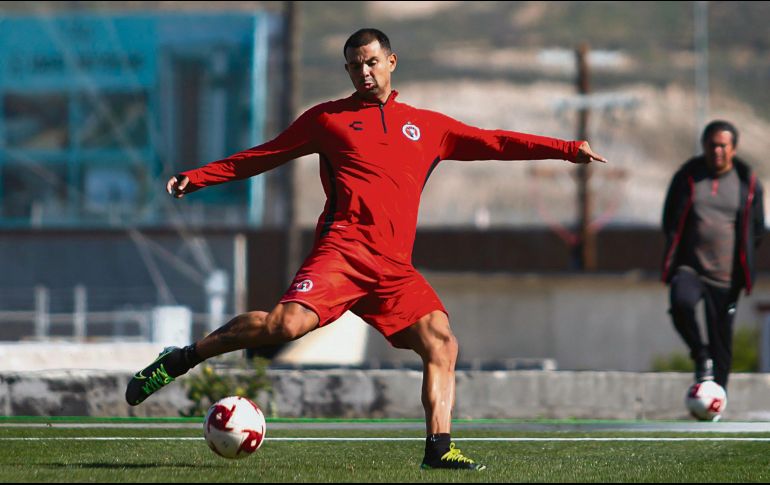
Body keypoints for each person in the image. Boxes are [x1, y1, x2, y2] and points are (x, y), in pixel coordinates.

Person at [126, 28, 607, 470]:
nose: (365, 72)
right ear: (348, 71)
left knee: (442, 342)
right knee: (283, 327)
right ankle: (183, 358)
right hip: (342, 254)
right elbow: (264, 155)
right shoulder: (327, 120)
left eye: (372, 62)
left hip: (394, 270)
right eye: (355, 66)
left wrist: (566, 149)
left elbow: (495, 142)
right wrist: (200, 177)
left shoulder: (427, 126)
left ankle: (439, 450)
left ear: (392, 61)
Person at [662, 120, 764, 391]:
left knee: (722, 345)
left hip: (726, 277)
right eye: (711, 145)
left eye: (722, 145)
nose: (716, 150)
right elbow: (669, 219)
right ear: (704, 146)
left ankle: (716, 400)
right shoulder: (687, 177)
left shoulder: (748, 184)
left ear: (733, 148)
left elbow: (756, 230)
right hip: (691, 268)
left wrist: (744, 263)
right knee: (681, 303)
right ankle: (699, 353)